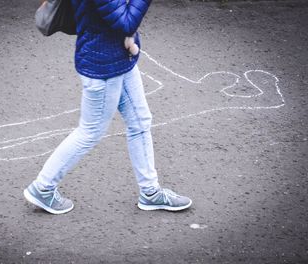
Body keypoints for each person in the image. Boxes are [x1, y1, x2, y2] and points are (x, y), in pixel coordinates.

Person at [24, 0, 192, 214]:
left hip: (119, 57)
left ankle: (150, 192)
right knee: (90, 131)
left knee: (140, 121)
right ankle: (43, 188)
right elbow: (126, 23)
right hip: (103, 65)